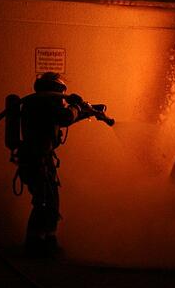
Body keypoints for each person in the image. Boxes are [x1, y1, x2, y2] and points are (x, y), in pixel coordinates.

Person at [14, 72, 110, 257]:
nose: (62, 99)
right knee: (44, 201)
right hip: (37, 159)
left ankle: (46, 241)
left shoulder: (36, 103)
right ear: (57, 90)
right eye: (61, 93)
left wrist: (87, 111)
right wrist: (75, 105)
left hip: (38, 158)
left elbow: (61, 120)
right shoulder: (44, 102)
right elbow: (64, 117)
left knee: (48, 200)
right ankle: (37, 245)